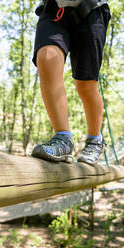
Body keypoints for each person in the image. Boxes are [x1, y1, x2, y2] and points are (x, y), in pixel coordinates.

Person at [31, 0, 111, 165]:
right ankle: (63, 138)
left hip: (92, 7)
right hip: (53, 8)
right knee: (47, 57)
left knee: (86, 84)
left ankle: (95, 139)